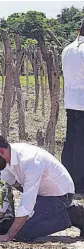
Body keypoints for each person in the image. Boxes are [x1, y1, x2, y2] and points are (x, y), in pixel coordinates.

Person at [0, 134, 84, 242]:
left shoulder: (30, 161)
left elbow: (27, 203)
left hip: (60, 195)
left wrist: (9, 236)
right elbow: (1, 199)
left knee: (21, 234)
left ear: (1, 151)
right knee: (2, 228)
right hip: (40, 193)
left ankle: (72, 215)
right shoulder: (3, 163)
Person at [61, 19, 84, 194]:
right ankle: (80, 183)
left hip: (71, 101)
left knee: (71, 141)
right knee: (80, 144)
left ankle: (67, 179)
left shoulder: (67, 50)